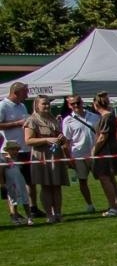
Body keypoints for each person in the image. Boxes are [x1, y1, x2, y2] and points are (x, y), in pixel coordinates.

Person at [23, 95, 69, 223]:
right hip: (41, 156)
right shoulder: (32, 120)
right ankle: (49, 214)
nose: (47, 106)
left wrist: (61, 139)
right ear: (37, 105)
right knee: (46, 186)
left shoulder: (53, 119)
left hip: (55, 155)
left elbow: (57, 136)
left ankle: (58, 213)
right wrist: (46, 139)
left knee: (56, 186)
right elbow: (28, 140)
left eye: (48, 103)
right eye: (44, 104)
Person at [59, 95, 101, 215]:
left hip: (95, 153)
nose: (76, 106)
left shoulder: (94, 116)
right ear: (69, 105)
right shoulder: (67, 120)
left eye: (78, 103)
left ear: (82, 102)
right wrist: (69, 158)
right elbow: (66, 142)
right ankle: (89, 204)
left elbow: (100, 134)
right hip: (78, 155)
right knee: (83, 180)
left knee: (104, 178)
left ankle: (112, 203)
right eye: (73, 104)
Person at [1, 81, 37, 215]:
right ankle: (14, 212)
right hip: (11, 152)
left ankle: (33, 208)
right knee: (13, 183)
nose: (27, 95)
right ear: (16, 93)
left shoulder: (22, 106)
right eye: (25, 92)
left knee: (30, 181)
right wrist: (17, 123)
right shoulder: (3, 106)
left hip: (26, 148)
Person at [88, 92, 117, 216]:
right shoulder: (110, 116)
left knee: (105, 178)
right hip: (111, 149)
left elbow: (103, 137)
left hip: (106, 150)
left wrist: (94, 150)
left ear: (96, 104)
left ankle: (113, 207)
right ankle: (116, 205)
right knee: (111, 178)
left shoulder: (106, 117)